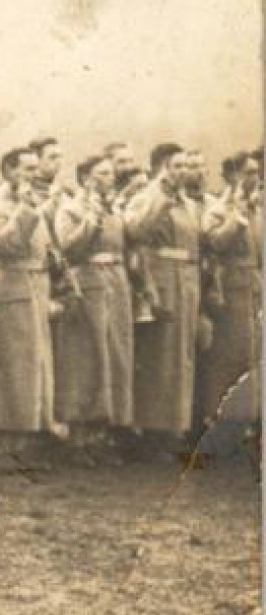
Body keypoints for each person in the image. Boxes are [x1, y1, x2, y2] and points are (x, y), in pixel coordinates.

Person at [0, 147, 57, 460]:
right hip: (11, 290)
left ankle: (24, 440)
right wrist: (25, 208)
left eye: (37, 168)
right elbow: (6, 245)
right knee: (11, 367)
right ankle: (2, 443)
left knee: (34, 367)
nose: (34, 174)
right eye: (26, 169)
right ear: (8, 172)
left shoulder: (32, 204)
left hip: (35, 288)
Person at [52, 154, 135, 452]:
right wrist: (92, 221)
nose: (110, 178)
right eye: (102, 173)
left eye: (111, 173)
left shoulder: (114, 208)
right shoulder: (70, 209)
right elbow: (67, 249)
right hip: (86, 283)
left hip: (116, 284)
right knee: (85, 358)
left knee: (114, 356)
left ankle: (101, 433)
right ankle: (78, 436)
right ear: (87, 178)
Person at [125, 144, 203, 448]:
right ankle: (153, 429)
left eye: (187, 166)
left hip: (187, 278)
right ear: (162, 167)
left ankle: (175, 427)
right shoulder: (148, 196)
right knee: (160, 355)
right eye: (177, 166)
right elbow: (136, 232)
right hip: (161, 276)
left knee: (181, 355)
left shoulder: (188, 201)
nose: (184, 172)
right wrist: (161, 201)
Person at [196, 150, 261, 429]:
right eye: (248, 173)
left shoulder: (259, 207)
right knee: (226, 355)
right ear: (232, 176)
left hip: (253, 286)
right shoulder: (218, 209)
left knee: (252, 354)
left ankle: (247, 419)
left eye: (256, 172)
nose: (254, 178)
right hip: (229, 286)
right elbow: (214, 243)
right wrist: (237, 218)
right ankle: (216, 418)